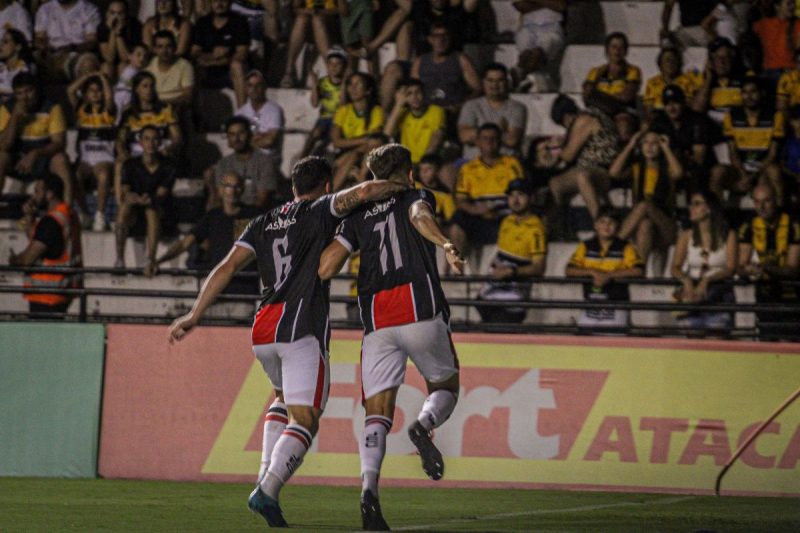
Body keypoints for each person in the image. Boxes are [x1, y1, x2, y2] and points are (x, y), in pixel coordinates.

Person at [168, 156, 408, 528]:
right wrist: (400, 187)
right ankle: (267, 489)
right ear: (326, 186)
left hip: (264, 329)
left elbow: (227, 266)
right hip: (301, 328)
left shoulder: (262, 222)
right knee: (306, 418)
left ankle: (264, 475)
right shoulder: (320, 209)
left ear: (292, 187)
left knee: (282, 400)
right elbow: (363, 191)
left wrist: (195, 314)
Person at [317, 144, 465, 531]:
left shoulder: (357, 215)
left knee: (376, 413)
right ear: (409, 174)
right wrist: (445, 243)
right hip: (418, 308)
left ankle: (369, 491)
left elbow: (329, 265)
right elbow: (419, 217)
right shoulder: (415, 195)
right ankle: (424, 421)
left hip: (377, 320)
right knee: (446, 385)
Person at [148, 172, 260, 299]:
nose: (232, 191)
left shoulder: (253, 215)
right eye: (228, 186)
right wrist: (158, 261)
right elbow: (185, 243)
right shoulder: (213, 216)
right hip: (216, 291)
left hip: (244, 288)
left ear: (242, 189)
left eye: (237, 186)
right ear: (221, 189)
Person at [8, 173, 82, 318]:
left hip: (46, 294)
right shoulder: (69, 214)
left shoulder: (50, 222)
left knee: (41, 338)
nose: (33, 196)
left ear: (49, 194)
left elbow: (27, 259)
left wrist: (15, 260)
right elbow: (39, 240)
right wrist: (30, 217)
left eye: (37, 191)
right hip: (63, 291)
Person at [476, 178, 546, 324]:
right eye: (511, 195)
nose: (515, 200)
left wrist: (511, 271)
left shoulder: (536, 228)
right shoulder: (506, 221)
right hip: (489, 294)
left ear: (531, 198)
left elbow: (539, 267)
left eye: (520, 194)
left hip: (513, 297)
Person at [450, 123, 524, 260]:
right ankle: (456, 268)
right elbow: (460, 200)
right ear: (478, 142)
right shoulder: (468, 169)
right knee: (458, 219)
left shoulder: (512, 164)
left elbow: (521, 195)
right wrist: (478, 210)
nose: (489, 142)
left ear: (500, 141)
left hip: (505, 216)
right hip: (478, 216)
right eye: (485, 138)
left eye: (493, 138)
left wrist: (500, 211)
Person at [0, 73, 74, 207]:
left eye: (29, 91)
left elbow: (59, 143)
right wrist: (15, 117)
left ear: (36, 90)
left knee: (61, 159)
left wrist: (35, 153)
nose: (25, 97)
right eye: (20, 93)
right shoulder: (7, 109)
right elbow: (4, 145)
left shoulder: (51, 107)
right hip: (16, 160)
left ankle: (66, 211)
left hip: (42, 160)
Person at [737, 183, 800, 339]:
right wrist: (749, 270)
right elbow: (740, 266)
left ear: (776, 201)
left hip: (792, 296)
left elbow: (793, 269)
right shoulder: (748, 225)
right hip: (765, 296)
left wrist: (764, 267)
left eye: (766, 201)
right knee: (767, 343)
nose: (761, 207)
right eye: (757, 202)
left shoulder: (793, 224)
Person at [609, 130, 682, 265]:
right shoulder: (637, 168)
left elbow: (678, 173)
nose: (649, 147)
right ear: (640, 146)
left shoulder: (667, 169)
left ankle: (614, 246)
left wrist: (666, 148)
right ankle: (640, 269)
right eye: (646, 143)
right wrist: (630, 145)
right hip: (644, 229)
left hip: (666, 228)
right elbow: (614, 172)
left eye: (655, 143)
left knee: (644, 205)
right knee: (645, 225)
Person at [565, 206, 643, 330]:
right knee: (584, 341)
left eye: (611, 222)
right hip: (590, 305)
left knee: (613, 342)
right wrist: (593, 272)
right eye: (602, 221)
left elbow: (638, 270)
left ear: (618, 227)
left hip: (617, 306)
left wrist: (609, 275)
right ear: (595, 225)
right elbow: (569, 270)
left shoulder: (626, 247)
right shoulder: (585, 246)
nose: (607, 225)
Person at [710, 75, 785, 203]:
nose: (748, 96)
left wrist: (754, 176)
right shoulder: (731, 116)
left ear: (761, 93)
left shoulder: (775, 116)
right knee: (717, 171)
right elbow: (733, 154)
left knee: (774, 171)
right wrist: (744, 175)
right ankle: (716, 218)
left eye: (753, 92)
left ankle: (782, 216)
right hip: (740, 171)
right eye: (744, 92)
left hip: (762, 171)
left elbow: (772, 154)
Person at [670, 189, 737, 333]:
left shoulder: (728, 235)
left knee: (717, 341)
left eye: (696, 204)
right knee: (692, 344)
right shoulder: (686, 235)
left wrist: (707, 280)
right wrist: (686, 280)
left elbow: (731, 268)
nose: (691, 208)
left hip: (718, 294)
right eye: (690, 204)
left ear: (709, 208)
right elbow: (675, 267)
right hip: (692, 294)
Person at [547, 94, 619, 224]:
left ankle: (600, 222)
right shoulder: (595, 115)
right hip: (594, 169)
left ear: (567, 118)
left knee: (582, 176)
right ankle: (562, 227)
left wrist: (555, 151)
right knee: (555, 183)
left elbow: (568, 156)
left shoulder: (584, 120)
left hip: (602, 171)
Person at [115, 125, 177, 271]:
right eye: (147, 139)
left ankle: (151, 259)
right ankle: (119, 259)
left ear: (160, 142)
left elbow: (161, 194)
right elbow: (126, 191)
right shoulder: (130, 164)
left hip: (160, 210)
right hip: (136, 210)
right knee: (124, 207)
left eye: (155, 139)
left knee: (151, 210)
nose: (151, 143)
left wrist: (148, 200)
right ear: (140, 142)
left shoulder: (168, 166)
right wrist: (136, 199)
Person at [67, 72, 116, 231]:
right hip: (86, 160)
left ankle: (100, 215)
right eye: (91, 90)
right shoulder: (81, 109)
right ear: (86, 94)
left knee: (103, 175)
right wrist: (88, 75)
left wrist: (102, 78)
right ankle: (85, 213)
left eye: (99, 90)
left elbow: (109, 98)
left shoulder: (108, 111)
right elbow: (70, 91)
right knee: (74, 176)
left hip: (105, 159)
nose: (95, 93)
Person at [650, 84, 714, 194]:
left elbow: (699, 159)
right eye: (667, 104)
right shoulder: (659, 122)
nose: (671, 108)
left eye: (675, 103)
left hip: (695, 169)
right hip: (668, 166)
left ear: (684, 103)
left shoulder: (697, 121)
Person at [204, 115, 278, 210]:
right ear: (228, 139)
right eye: (232, 134)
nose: (237, 139)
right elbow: (220, 198)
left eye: (241, 133)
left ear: (250, 135)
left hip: (254, 216)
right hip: (229, 216)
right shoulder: (223, 164)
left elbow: (262, 202)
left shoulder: (265, 162)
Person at [458, 63, 527, 159]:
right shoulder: (471, 106)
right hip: (473, 164)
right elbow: (464, 136)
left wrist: (478, 135)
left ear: (506, 82)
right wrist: (500, 131)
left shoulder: (517, 108)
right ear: (483, 82)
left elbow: (512, 140)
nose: (495, 85)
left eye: (500, 80)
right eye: (490, 80)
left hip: (505, 165)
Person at [583, 31, 641, 142]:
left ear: (626, 51)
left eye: (621, 47)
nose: (617, 51)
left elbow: (626, 97)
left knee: (623, 123)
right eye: (614, 47)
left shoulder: (633, 70)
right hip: (600, 112)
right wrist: (611, 98)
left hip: (623, 111)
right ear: (607, 50)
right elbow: (587, 96)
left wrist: (599, 97)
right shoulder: (596, 72)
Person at [330, 71, 385, 190]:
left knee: (373, 146)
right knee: (355, 154)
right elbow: (336, 142)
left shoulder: (376, 111)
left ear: (368, 90)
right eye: (350, 84)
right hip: (343, 154)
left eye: (358, 84)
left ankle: (331, 195)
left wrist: (356, 142)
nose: (353, 88)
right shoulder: (343, 111)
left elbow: (375, 140)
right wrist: (365, 139)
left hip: (367, 154)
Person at [191, 0, 249, 107]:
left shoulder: (239, 21)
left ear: (230, 2)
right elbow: (195, 53)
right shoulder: (203, 23)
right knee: (193, 68)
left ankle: (243, 114)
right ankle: (195, 115)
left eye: (223, 0)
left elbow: (242, 53)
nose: (219, 4)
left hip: (229, 73)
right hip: (207, 72)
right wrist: (214, 56)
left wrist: (218, 59)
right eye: (215, 0)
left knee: (237, 65)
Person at [383, 79, 446, 165]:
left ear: (424, 94)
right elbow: (386, 134)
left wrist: (423, 162)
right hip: (407, 163)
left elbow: (436, 138)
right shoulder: (402, 112)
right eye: (409, 94)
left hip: (427, 161)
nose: (414, 97)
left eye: (418, 92)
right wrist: (398, 104)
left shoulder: (436, 111)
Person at [33, 0, 100, 81]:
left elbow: (91, 41)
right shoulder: (45, 9)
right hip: (50, 54)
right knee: (29, 59)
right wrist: (44, 47)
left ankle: (77, 92)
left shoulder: (88, 9)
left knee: (88, 63)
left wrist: (71, 48)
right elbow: (39, 37)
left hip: (76, 53)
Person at [299, 45, 346, 158]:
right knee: (315, 133)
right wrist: (314, 84)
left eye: (338, 64)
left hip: (340, 120)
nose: (334, 67)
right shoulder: (323, 82)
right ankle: (302, 158)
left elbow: (343, 104)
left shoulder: (347, 83)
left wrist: (344, 85)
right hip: (324, 118)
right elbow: (314, 104)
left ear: (344, 66)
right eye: (331, 64)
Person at [511, 0, 566, 93]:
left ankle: (520, 74)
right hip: (527, 26)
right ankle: (528, 79)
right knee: (525, 54)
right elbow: (520, 5)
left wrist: (533, 2)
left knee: (538, 53)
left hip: (553, 29)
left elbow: (561, 6)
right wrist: (548, 4)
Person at [280, 0, 336, 88]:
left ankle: (331, 70)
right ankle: (289, 72)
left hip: (331, 23)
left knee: (317, 19)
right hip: (310, 22)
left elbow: (342, 9)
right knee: (301, 19)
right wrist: (308, 11)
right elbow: (295, 8)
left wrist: (321, 12)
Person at [235, 69, 284, 160]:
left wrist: (247, 140)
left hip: (267, 159)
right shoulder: (240, 113)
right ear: (246, 89)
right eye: (250, 85)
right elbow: (236, 141)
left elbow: (269, 141)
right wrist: (261, 136)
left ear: (264, 87)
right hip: (245, 158)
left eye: (258, 85)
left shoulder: (274, 110)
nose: (254, 89)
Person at [643, 47, 702, 120]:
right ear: (660, 64)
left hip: (682, 118)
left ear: (679, 63)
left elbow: (689, 106)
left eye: (673, 60)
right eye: (667, 60)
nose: (670, 63)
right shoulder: (652, 82)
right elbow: (649, 110)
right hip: (659, 118)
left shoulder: (688, 81)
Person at [145, 30, 194, 109]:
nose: (164, 51)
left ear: (174, 48)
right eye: (160, 47)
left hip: (178, 109)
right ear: (155, 49)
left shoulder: (185, 66)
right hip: (152, 108)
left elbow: (188, 97)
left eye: (168, 46)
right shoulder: (149, 65)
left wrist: (163, 103)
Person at [752, 0, 800, 80]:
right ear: (777, 6)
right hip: (767, 72)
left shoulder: (797, 24)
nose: (792, 6)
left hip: (788, 72)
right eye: (789, 3)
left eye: (793, 3)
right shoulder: (763, 24)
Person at [96, 0, 142, 80]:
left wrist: (118, 34)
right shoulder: (102, 27)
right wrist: (113, 31)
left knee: (124, 66)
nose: (116, 17)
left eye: (120, 13)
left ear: (126, 14)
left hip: (128, 62)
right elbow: (109, 58)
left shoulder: (135, 25)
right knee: (106, 67)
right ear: (107, 14)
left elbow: (126, 58)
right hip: (109, 63)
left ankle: (123, 92)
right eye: (112, 13)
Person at [0, 28, 34, 104]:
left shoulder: (24, 68)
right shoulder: (1, 66)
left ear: (18, 47)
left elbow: (21, 92)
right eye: (1, 41)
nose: (0, 45)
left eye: (5, 42)